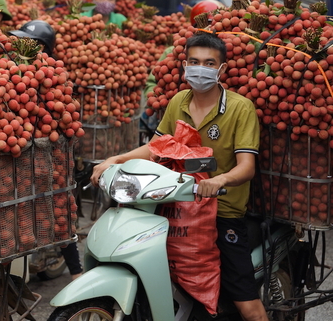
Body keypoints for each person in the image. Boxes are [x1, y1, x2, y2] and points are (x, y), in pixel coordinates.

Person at [91, 32, 266, 321]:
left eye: (209, 63)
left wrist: (219, 181)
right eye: (195, 62)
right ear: (185, 66)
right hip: (178, 204)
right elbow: (157, 148)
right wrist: (116, 159)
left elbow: (246, 166)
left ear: (221, 69)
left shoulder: (239, 108)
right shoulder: (178, 102)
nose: (201, 68)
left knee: (248, 307)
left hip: (223, 210)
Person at [10, 21, 83, 280]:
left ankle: (76, 271)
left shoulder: (53, 79)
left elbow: (67, 123)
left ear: (46, 50)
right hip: (18, 153)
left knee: (58, 206)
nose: (24, 46)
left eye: (34, 44)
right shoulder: (10, 73)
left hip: (47, 155)